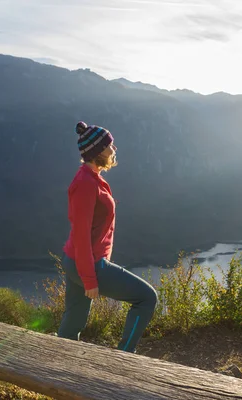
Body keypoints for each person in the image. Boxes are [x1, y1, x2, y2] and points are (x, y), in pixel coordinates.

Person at [58, 121, 157, 353]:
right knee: (146, 298)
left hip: (77, 261)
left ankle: (60, 367)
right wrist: (90, 279)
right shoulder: (85, 183)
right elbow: (81, 234)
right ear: (97, 151)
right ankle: (124, 357)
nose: (114, 150)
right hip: (88, 263)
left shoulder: (91, 178)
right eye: (110, 146)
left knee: (73, 324)